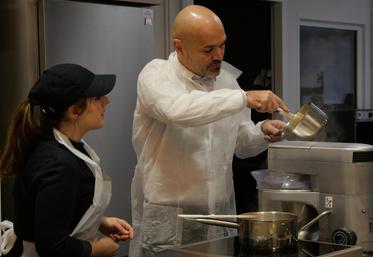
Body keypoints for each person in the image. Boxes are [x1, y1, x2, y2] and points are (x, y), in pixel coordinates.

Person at [129, 5, 288, 257]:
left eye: (222, 45)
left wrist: (262, 132)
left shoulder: (226, 81)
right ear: (179, 46)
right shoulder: (156, 74)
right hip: (170, 212)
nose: (219, 55)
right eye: (208, 49)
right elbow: (177, 110)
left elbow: (240, 144)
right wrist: (243, 98)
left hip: (219, 210)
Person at [0, 63, 134, 257]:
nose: (106, 101)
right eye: (97, 98)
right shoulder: (58, 165)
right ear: (74, 112)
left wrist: (100, 221)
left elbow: (51, 211)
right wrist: (98, 249)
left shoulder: (62, 145)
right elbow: (51, 246)